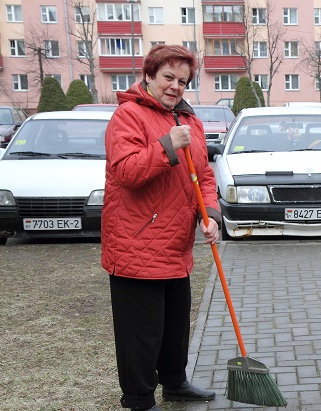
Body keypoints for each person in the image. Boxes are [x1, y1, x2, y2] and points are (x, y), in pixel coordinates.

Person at [101, 44, 222, 411]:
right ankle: (138, 398)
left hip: (175, 245)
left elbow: (203, 174)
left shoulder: (189, 120)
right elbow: (126, 171)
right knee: (141, 333)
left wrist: (211, 214)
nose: (175, 86)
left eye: (182, 81)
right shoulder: (128, 116)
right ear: (149, 75)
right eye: (168, 77)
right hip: (137, 245)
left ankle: (174, 382)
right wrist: (167, 146)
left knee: (174, 327)